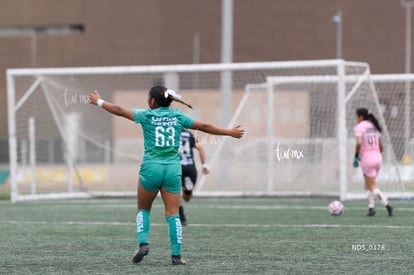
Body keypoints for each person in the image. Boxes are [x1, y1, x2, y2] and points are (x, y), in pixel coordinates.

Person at [88, 86, 244, 265]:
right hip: (172, 170)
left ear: (152, 101)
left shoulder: (146, 115)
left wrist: (98, 101)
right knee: (173, 214)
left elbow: (119, 110)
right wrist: (229, 132)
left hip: (151, 169)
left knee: (143, 209)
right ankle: (176, 256)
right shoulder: (178, 117)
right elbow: (204, 126)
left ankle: (143, 243)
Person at [353, 107, 393, 217]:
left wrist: (356, 155)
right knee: (368, 184)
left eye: (356, 116)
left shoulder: (359, 127)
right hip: (378, 157)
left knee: (372, 186)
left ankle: (387, 204)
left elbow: (359, 143)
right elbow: (381, 146)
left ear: (360, 117)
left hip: (367, 158)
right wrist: (376, 154)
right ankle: (371, 208)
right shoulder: (374, 126)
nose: (356, 119)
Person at [178, 129, 209, 226]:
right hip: (190, 167)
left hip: (175, 167)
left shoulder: (170, 132)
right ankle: (188, 189)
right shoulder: (188, 134)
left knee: (173, 194)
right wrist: (204, 165)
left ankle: (181, 217)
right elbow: (200, 148)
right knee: (187, 198)